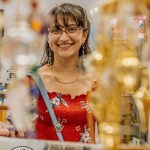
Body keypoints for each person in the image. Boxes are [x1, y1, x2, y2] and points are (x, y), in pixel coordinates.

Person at [25, 3, 97, 143]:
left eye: (72, 29)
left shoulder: (96, 81)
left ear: (84, 36)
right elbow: (20, 127)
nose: (63, 38)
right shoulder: (33, 80)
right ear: (47, 36)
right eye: (56, 30)